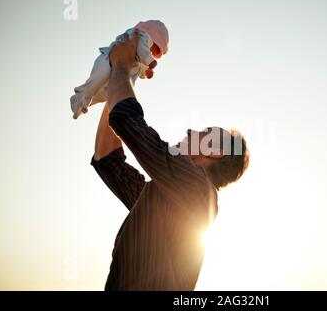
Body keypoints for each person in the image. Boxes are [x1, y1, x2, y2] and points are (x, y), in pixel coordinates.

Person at [90, 31, 249, 290]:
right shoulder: (166, 196)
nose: (190, 132)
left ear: (216, 152)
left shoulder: (198, 189)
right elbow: (109, 160)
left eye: (204, 133)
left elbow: (128, 122)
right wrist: (126, 76)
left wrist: (120, 64)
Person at [71, 20, 169, 119]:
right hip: (107, 60)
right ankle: (83, 95)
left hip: (120, 69)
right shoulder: (140, 35)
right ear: (155, 39)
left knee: (105, 94)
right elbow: (142, 50)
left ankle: (80, 101)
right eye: (155, 50)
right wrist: (150, 61)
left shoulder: (138, 53)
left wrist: (146, 71)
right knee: (99, 77)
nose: (152, 53)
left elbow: (141, 64)